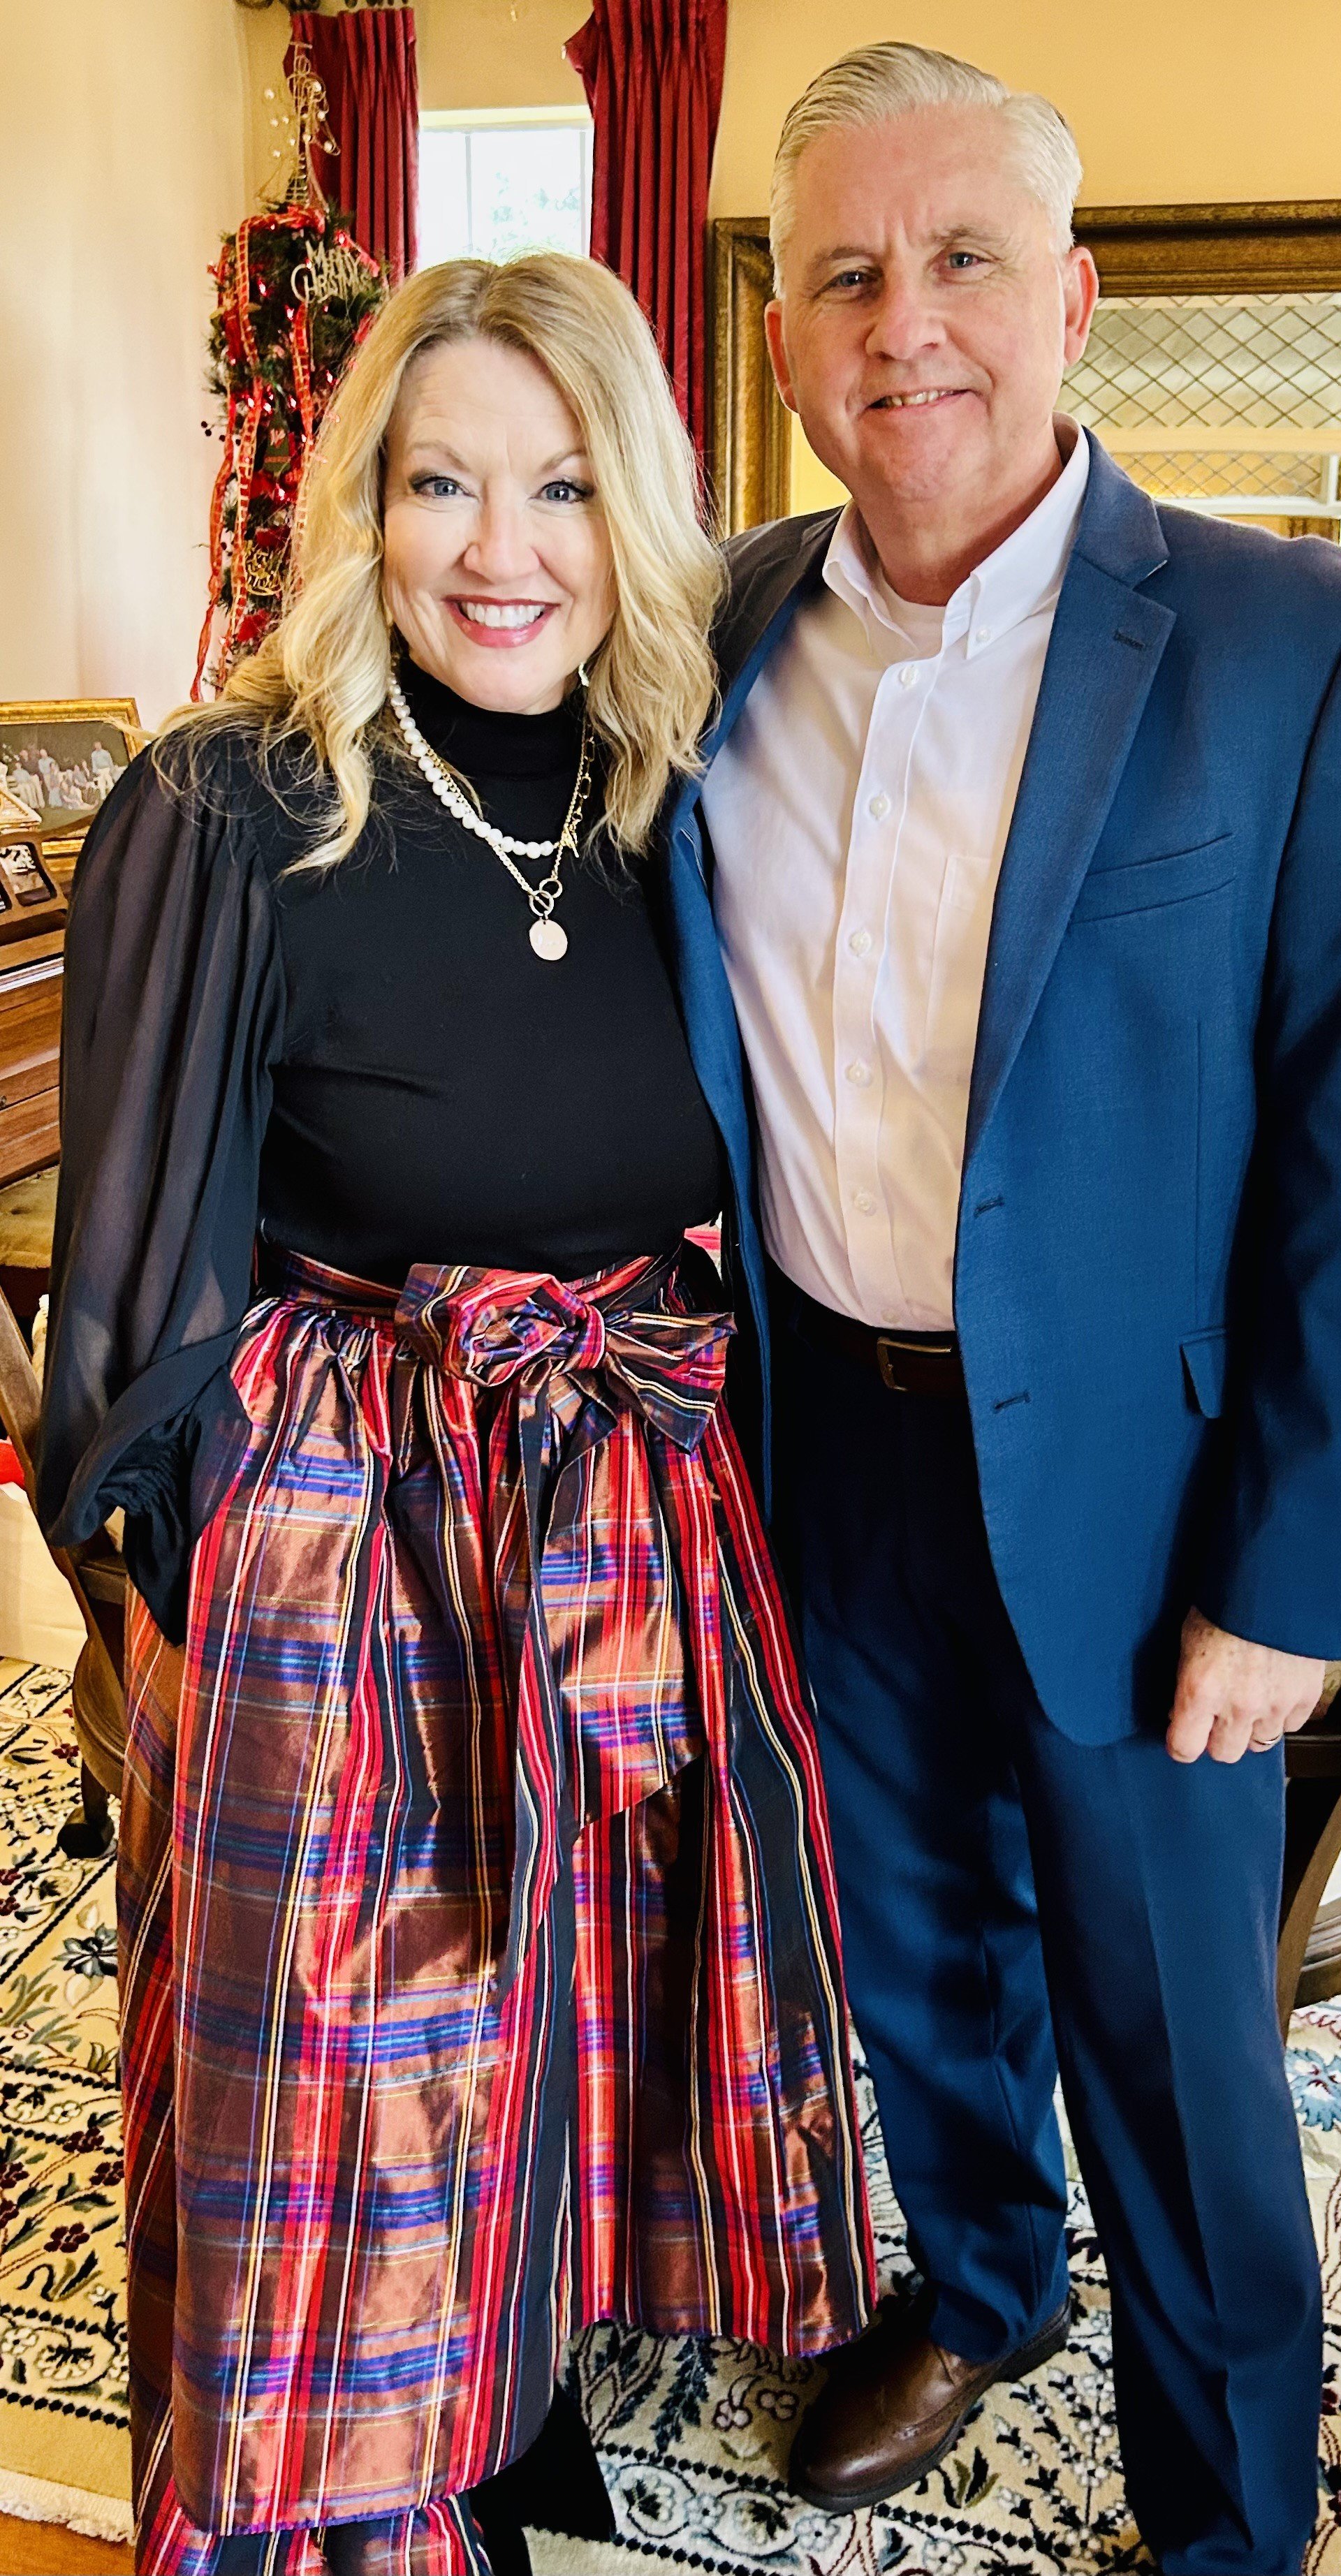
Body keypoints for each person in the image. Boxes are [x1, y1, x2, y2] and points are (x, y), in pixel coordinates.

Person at [665, 43, 1341, 2576]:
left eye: (962, 259)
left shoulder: (1293, 643)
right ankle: (982, 2284)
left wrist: (1289, 1574)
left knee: (1179, 2057)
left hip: (1146, 1490)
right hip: (825, 1450)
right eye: (845, 274)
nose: (903, 322)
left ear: (1073, 298)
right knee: (914, 1956)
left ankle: (1226, 2519)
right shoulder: (703, 641)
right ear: (778, 337)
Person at [37, 253, 873, 2576]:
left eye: (562, 487)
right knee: (351, 2052)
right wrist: (184, 1588)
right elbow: (131, 1266)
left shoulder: (678, 792)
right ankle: (343, 2480)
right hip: (348, 1518)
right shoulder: (233, 804)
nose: (501, 550)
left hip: (629, 1492)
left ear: (640, 516)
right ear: (362, 507)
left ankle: (507, 2395)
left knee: (570, 2002)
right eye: (440, 485)